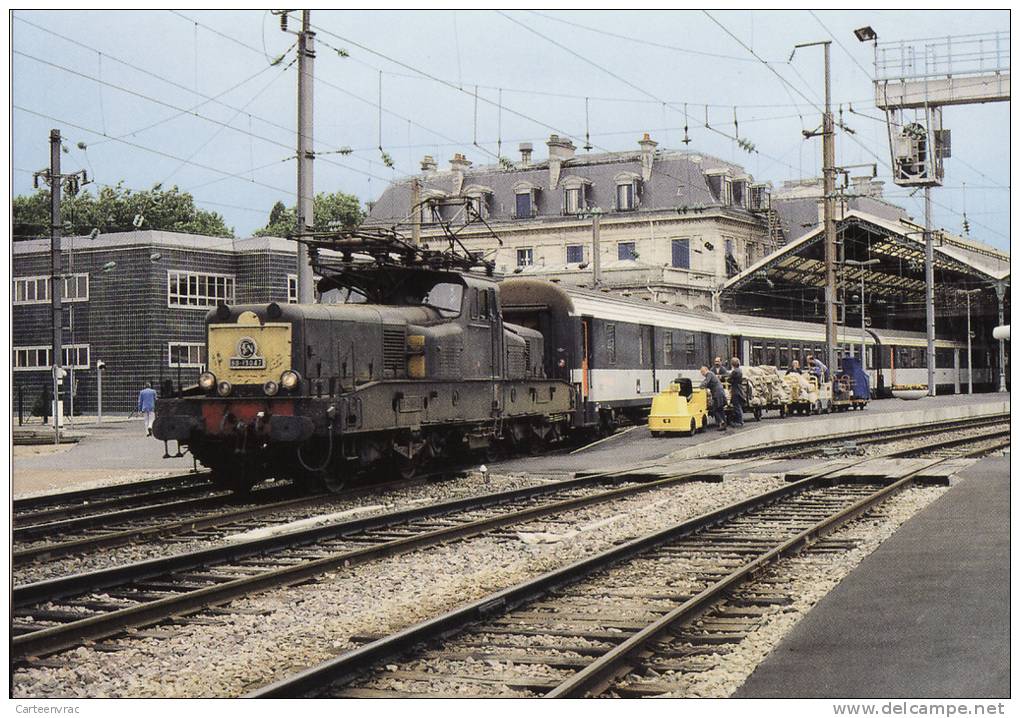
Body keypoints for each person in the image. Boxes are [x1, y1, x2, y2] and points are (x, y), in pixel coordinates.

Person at [699, 366, 727, 431]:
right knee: (720, 409)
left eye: (703, 372)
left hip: (717, 393)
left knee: (715, 409)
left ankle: (721, 423)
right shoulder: (711, 374)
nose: (702, 373)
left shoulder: (709, 374)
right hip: (720, 392)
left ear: (706, 370)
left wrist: (699, 387)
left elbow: (706, 382)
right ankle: (724, 423)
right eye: (701, 372)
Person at [728, 357, 745, 427]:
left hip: (735, 390)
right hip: (739, 389)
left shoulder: (735, 371)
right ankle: (739, 420)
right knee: (738, 406)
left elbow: (729, 379)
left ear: (732, 364)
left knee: (737, 406)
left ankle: (739, 421)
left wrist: (730, 380)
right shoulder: (740, 370)